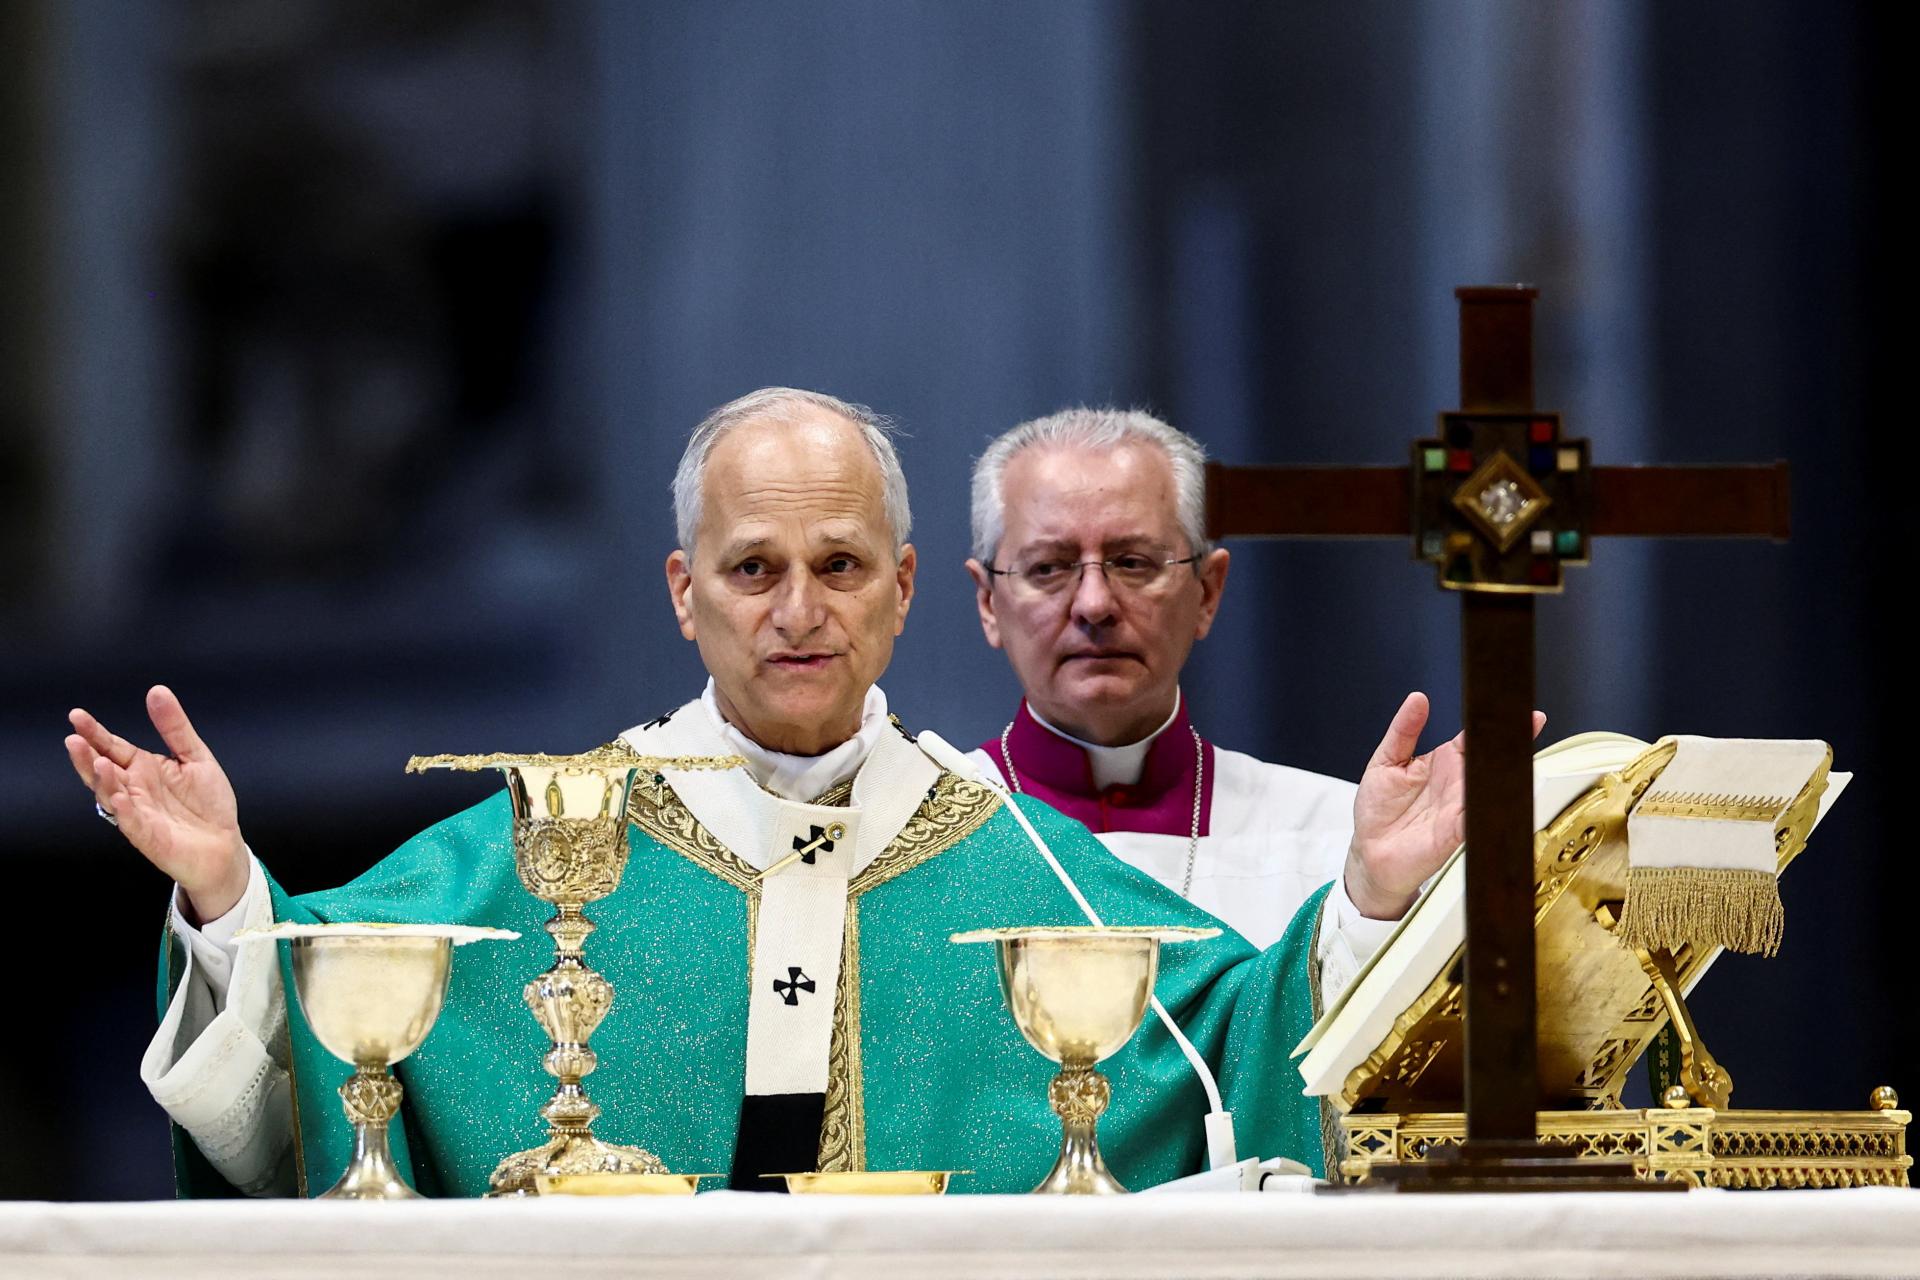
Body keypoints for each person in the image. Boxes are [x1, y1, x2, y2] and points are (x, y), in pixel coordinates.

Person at [66, 388, 1465, 1198]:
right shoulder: (556, 840)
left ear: (910, 589)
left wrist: (1367, 896)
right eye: (752, 569)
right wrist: (225, 890)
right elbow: (336, 1021)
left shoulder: (1009, 862)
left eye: (843, 565)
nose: (799, 612)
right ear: (685, 594)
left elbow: (1236, 1040)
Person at [965, 408, 1535, 964]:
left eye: (1133, 561)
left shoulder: (1344, 840)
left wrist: (1378, 897)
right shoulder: (916, 837)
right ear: (989, 602)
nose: (1094, 604)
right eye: (1048, 567)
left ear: (1207, 592)